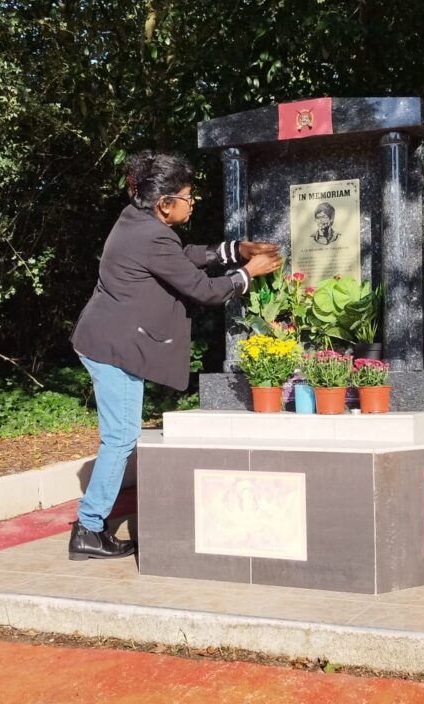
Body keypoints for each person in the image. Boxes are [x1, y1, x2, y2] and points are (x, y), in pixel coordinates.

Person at [68, 150, 280, 560]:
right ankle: (89, 529)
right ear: (165, 204)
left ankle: (90, 527)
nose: (192, 202)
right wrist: (247, 273)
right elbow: (203, 290)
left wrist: (235, 250)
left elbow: (180, 258)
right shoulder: (151, 235)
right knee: (121, 437)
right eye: (187, 196)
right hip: (114, 347)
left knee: (119, 435)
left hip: (104, 339)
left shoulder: (138, 221)